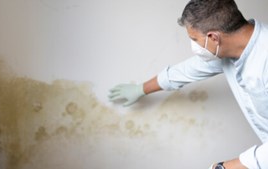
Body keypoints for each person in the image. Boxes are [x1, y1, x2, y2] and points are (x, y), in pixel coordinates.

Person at [108, 0, 268, 168]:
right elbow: (188, 70)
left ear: (213, 37)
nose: (194, 45)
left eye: (194, 39)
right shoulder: (228, 50)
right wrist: (140, 89)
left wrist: (226, 167)